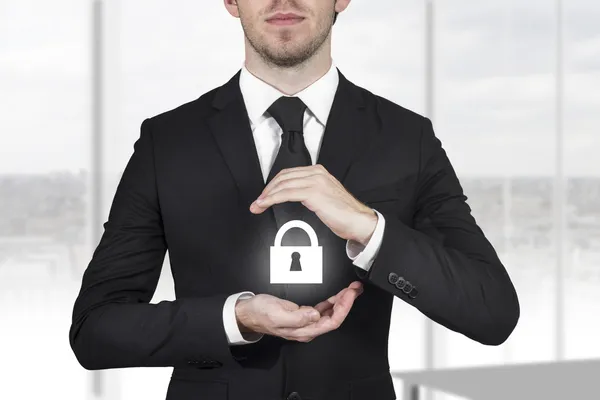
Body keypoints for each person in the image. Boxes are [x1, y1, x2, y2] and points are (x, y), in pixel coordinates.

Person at [69, 1, 520, 399]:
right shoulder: (167, 142)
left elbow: (492, 312)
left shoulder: (407, 139)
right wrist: (235, 318)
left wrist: (369, 228)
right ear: (231, 1)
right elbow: (95, 330)